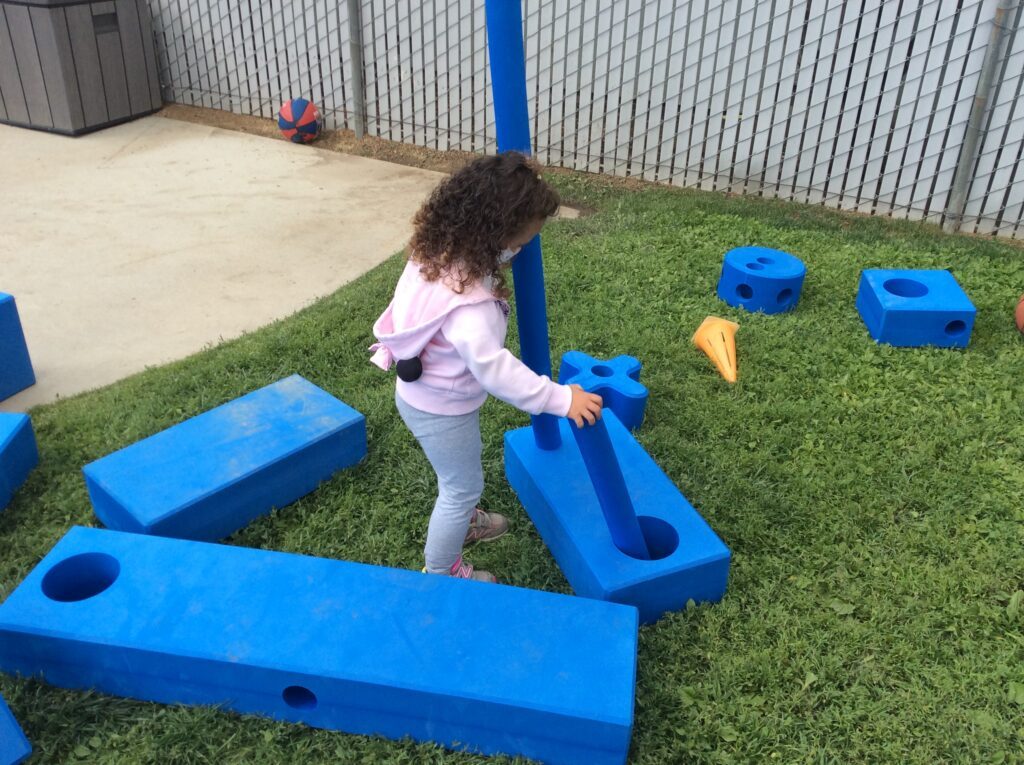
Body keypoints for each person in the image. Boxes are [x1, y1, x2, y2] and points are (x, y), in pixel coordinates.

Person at [370, 151, 603, 583]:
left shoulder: (436, 250)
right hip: (440, 406)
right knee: (459, 487)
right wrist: (559, 398)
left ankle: (466, 521)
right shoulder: (470, 311)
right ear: (494, 235)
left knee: (461, 474)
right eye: (521, 240)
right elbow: (495, 370)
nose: (524, 248)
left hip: (427, 392)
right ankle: (444, 569)